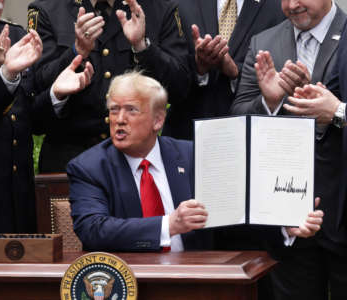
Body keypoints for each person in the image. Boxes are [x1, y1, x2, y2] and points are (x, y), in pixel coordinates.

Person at [67, 71, 323, 252]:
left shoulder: (194, 156)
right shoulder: (89, 167)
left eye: (131, 110)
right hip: (128, 283)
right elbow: (94, 230)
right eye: (114, 110)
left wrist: (285, 226)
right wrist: (170, 224)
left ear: (158, 120)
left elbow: (231, 220)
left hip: (196, 279)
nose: (119, 119)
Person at [231, 0, 347, 299]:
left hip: (341, 210)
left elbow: (335, 110)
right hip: (285, 216)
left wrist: (337, 111)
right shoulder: (264, 41)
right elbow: (237, 118)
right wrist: (270, 102)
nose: (292, 5)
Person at [0, 0, 94, 233]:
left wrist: (55, 94)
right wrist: (5, 75)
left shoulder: (14, 34)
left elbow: (30, 119)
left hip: (16, 200)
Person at [28, 0, 190, 172]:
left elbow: (180, 87)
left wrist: (143, 48)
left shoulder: (159, 7)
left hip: (137, 162)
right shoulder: (48, 9)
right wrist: (76, 52)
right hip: (70, 162)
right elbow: (38, 89)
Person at [162, 0, 285, 140]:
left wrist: (235, 72)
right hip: (187, 137)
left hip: (251, 137)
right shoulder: (178, 4)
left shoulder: (280, 6)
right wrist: (199, 67)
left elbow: (279, 71)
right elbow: (169, 71)